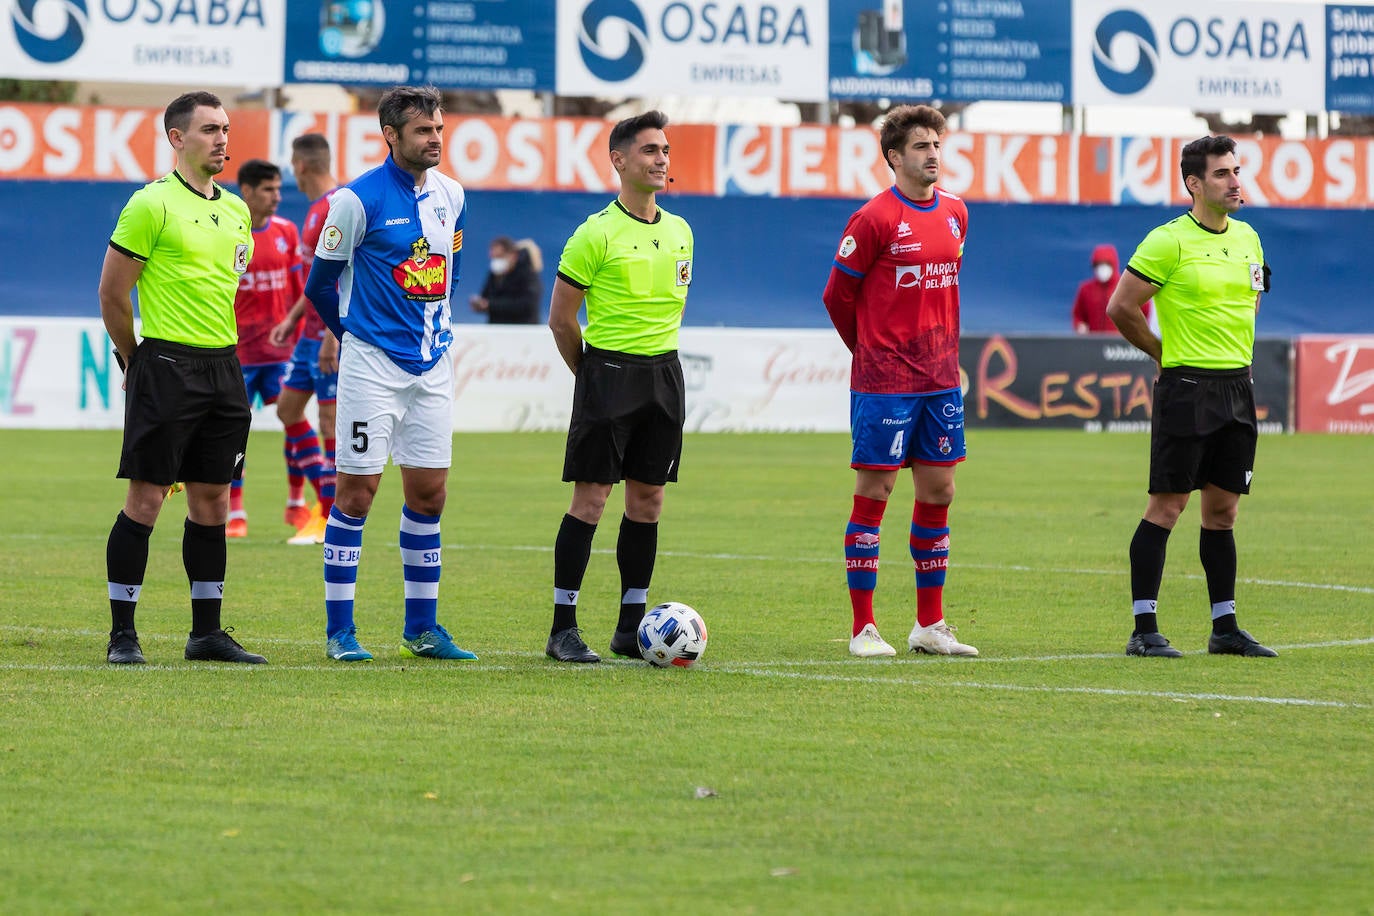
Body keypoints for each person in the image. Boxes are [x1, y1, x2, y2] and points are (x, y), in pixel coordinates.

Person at [302, 85, 474, 663]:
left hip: (433, 366)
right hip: (371, 366)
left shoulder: (452, 194)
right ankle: (339, 633)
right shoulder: (355, 201)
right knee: (356, 493)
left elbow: (450, 262)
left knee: (430, 494)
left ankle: (421, 629)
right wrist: (349, 336)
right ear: (391, 136)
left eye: (440, 129)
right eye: (423, 131)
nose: (435, 140)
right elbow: (319, 285)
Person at [98, 90, 268, 665]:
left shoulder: (238, 209)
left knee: (213, 500)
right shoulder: (151, 205)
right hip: (166, 366)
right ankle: (124, 634)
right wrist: (135, 360)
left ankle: (207, 634)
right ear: (177, 138)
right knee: (146, 499)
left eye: (226, 129)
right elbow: (112, 294)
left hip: (225, 368)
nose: (222, 139)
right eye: (209, 130)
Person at [1106, 134, 1276, 659]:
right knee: (1167, 507)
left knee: (1223, 512)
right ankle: (1144, 629)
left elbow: (1253, 300)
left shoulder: (1249, 237)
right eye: (1223, 174)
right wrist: (1164, 354)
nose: (1235, 181)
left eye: (1237, 171)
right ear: (1194, 183)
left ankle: (1224, 629)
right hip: (1187, 388)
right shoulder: (1168, 241)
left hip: (1236, 387)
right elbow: (1121, 307)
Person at [822, 104, 978, 659]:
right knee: (876, 493)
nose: (933, 153)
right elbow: (836, 297)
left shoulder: (957, 213)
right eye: (920, 146)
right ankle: (863, 628)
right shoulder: (873, 220)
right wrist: (869, 352)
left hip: (939, 381)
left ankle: (929, 625)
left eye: (937, 143)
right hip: (884, 381)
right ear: (894, 156)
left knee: (940, 492)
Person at [544, 110, 694, 664]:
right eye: (651, 150)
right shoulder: (595, 233)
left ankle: (630, 628)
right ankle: (563, 628)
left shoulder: (681, 232)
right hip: (606, 373)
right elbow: (561, 319)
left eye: (666, 150)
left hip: (664, 376)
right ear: (619, 160)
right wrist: (589, 374)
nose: (662, 160)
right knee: (591, 500)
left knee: (648, 501)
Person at [269, 133, 341, 545]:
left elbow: (346, 276)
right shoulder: (315, 210)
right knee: (288, 409)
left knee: (329, 420)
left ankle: (328, 517)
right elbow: (316, 280)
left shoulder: (336, 205)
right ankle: (322, 499)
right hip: (308, 335)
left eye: (291, 166)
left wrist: (333, 335)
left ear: (301, 165)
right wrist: (292, 318)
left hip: (330, 337)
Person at [227, 158, 304, 538]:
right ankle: (235, 513)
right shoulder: (228, 232)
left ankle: (297, 504)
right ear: (247, 191)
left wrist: (299, 333)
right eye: (268, 190)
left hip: (281, 354)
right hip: (238, 354)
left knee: (295, 423)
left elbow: (298, 289)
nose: (277, 197)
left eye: (278, 188)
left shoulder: (287, 232)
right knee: (233, 433)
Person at [1071, 244, 1152, 334]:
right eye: (1098, 264)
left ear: (1114, 264)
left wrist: (1136, 331)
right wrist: (1080, 326)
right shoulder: (1086, 289)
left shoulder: (1128, 287)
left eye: (1106, 264)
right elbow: (1078, 315)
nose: (1102, 268)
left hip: (1121, 343)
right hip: (1093, 342)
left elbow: (1145, 311)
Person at [469, 236, 542, 324]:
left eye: (500, 256)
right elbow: (485, 296)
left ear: (513, 255)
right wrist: (480, 304)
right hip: (496, 329)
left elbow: (527, 304)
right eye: (493, 257)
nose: (496, 261)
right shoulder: (493, 274)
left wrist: (490, 305)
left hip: (522, 329)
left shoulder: (528, 275)